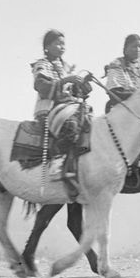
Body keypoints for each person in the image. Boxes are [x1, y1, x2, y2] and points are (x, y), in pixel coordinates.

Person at [31, 29, 91, 182]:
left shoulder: (67, 67)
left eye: (63, 44)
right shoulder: (42, 64)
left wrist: (83, 85)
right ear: (47, 47)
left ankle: (80, 165)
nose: (61, 47)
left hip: (68, 108)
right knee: (71, 125)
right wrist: (65, 81)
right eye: (57, 43)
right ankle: (57, 164)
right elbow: (41, 85)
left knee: (89, 122)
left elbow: (74, 91)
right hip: (50, 109)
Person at [103, 34, 140, 170]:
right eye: (134, 46)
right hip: (122, 107)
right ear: (125, 49)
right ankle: (132, 161)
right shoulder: (117, 65)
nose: (138, 50)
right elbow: (114, 92)